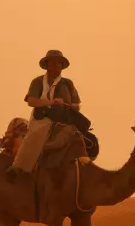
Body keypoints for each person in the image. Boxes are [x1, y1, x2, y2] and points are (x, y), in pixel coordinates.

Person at [7, 50, 81, 181]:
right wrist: (52, 102)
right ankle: (18, 167)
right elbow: (31, 101)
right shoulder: (37, 82)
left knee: (83, 139)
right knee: (39, 131)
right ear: (47, 65)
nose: (56, 65)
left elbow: (77, 106)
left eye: (58, 62)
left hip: (64, 120)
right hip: (42, 118)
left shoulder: (68, 83)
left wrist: (66, 105)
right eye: (52, 62)